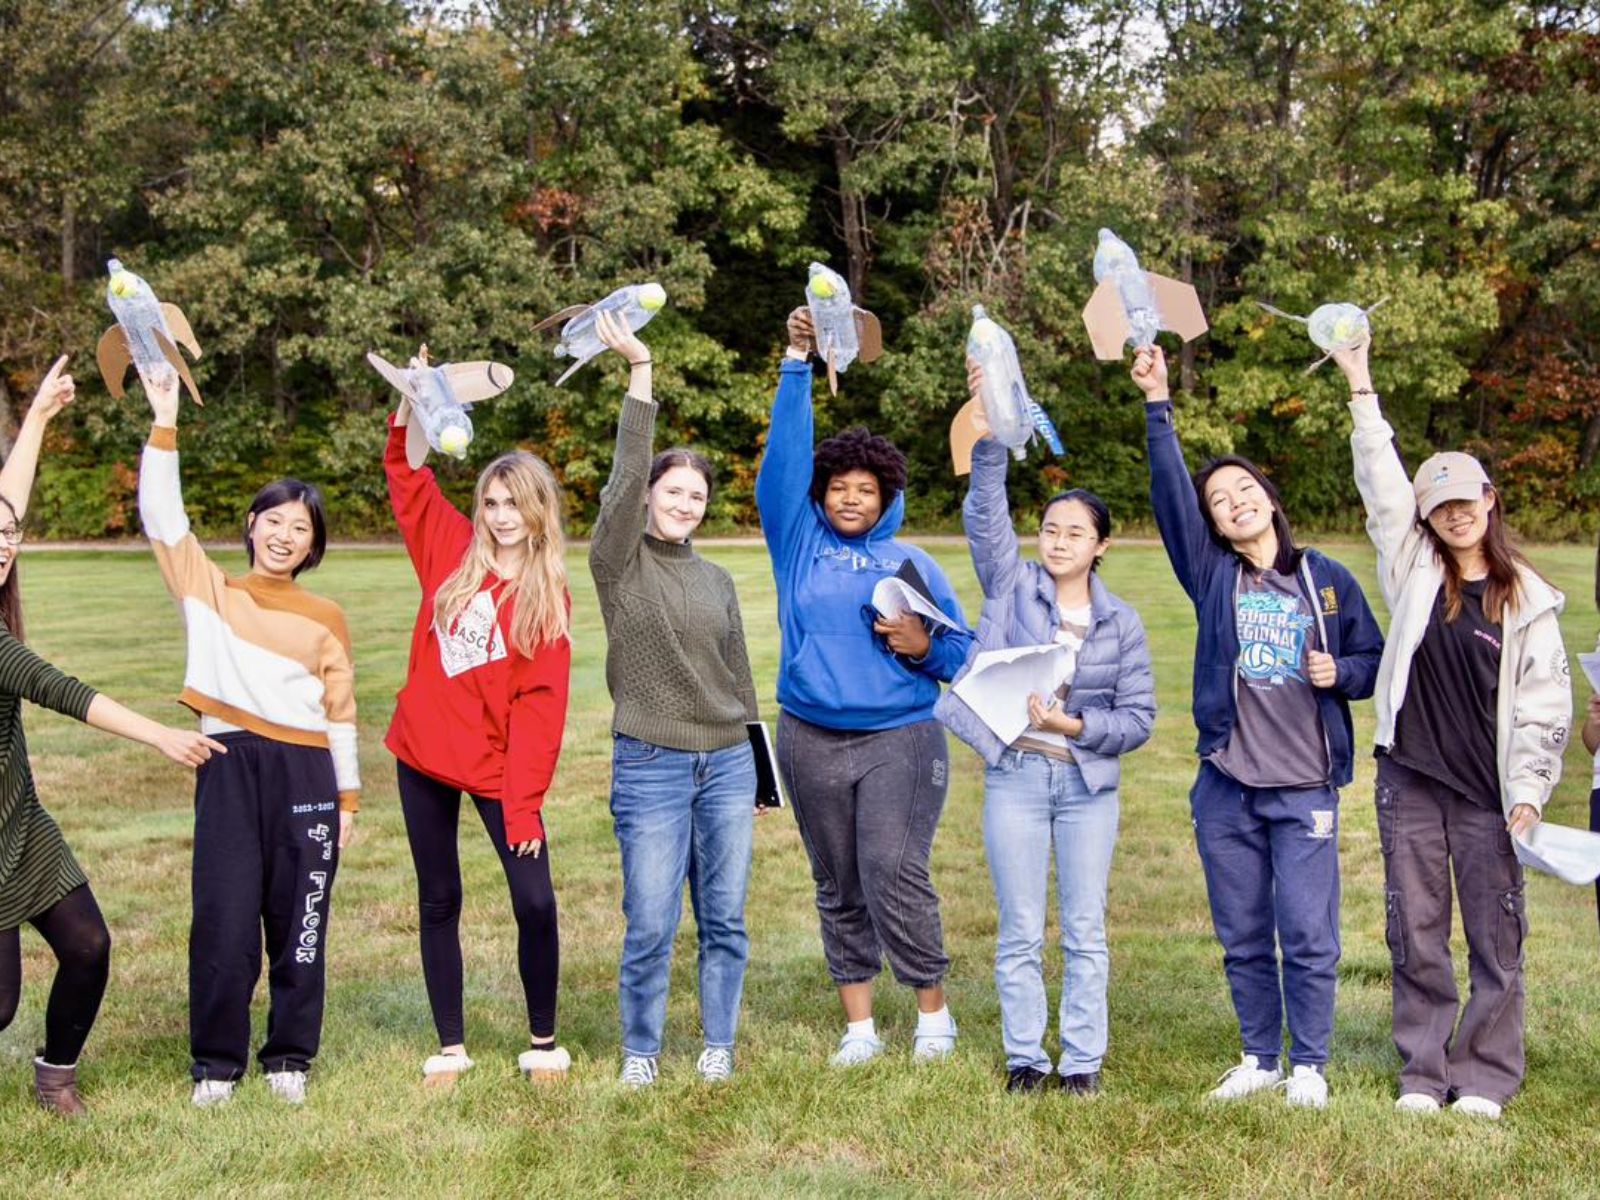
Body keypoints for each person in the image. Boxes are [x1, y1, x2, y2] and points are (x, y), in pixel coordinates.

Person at [1135, 344, 1383, 1109]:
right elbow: (1172, 497)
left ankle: (1308, 1065)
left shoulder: (1328, 580)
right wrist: (1157, 406)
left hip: (1303, 785)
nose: (1232, 500)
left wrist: (1336, 674)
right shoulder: (1215, 575)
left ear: (1269, 499)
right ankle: (1259, 1059)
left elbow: (1371, 661)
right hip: (1228, 786)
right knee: (1242, 933)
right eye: (1219, 499)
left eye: (1243, 488)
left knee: (1308, 933)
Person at [1340, 338, 1570, 1120]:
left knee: (1496, 935)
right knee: (1418, 928)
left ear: (1490, 499)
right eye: (1439, 505)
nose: (1455, 513)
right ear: (1428, 517)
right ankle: (1424, 1070)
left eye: (1466, 499)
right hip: (1411, 780)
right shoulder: (1413, 569)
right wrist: (1359, 382)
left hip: (1489, 795)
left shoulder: (1529, 601)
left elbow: (1544, 710)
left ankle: (1487, 1074)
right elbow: (1379, 481)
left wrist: (1530, 795)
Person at [0, 356, 223, 1117]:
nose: (3, 544)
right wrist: (160, 737)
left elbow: (9, 505)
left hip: (18, 825)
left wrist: (37, 419)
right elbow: (65, 693)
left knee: (88, 946)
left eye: (7, 537)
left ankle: (55, 1074)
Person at [138, 364, 360, 1108]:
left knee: (300, 921)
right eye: (274, 520)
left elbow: (342, 710)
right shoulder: (209, 590)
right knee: (225, 921)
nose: (284, 534)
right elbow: (163, 518)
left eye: (301, 527)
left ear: (313, 545)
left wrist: (350, 799)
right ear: (251, 526)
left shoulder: (326, 614)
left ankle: (290, 1058)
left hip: (308, 777)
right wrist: (164, 421)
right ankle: (217, 1065)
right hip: (229, 767)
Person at [756, 307, 973, 1067]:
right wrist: (795, 363)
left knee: (891, 869)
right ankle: (859, 1030)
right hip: (808, 735)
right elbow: (782, 464)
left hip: (899, 738)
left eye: (867, 490)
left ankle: (932, 1016)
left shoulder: (911, 562)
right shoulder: (798, 546)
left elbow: (962, 652)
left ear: (888, 499)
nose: (852, 498)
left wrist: (923, 647)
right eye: (840, 487)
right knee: (839, 879)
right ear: (822, 496)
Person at [937, 362, 1155, 1095]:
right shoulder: (1012, 586)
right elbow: (985, 511)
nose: (1058, 541)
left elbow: (1140, 720)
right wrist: (995, 418)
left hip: (1088, 785)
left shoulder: (1121, 622)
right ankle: (1026, 1058)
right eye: (1051, 529)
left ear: (1099, 547)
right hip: (1017, 779)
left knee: (1085, 932)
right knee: (1020, 928)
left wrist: (1077, 722)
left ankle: (1083, 1063)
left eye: (1075, 532)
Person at [587, 312, 761, 1088]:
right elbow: (622, 477)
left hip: (725, 764)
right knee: (652, 923)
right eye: (673, 490)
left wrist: (760, 771)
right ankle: (641, 1052)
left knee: (723, 920)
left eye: (697, 494)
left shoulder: (717, 580)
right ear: (650, 496)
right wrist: (641, 374)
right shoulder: (617, 563)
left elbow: (741, 674)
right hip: (651, 764)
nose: (685, 503)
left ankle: (717, 1043)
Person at [384, 377, 571, 1089]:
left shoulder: (546, 594)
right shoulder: (450, 546)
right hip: (424, 752)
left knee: (535, 900)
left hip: (498, 769)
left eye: (514, 503)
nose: (500, 516)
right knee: (439, 896)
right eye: (491, 502)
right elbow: (405, 471)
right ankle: (452, 1046)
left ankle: (543, 1042)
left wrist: (523, 805)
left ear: (538, 510)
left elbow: (540, 708)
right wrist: (412, 398)